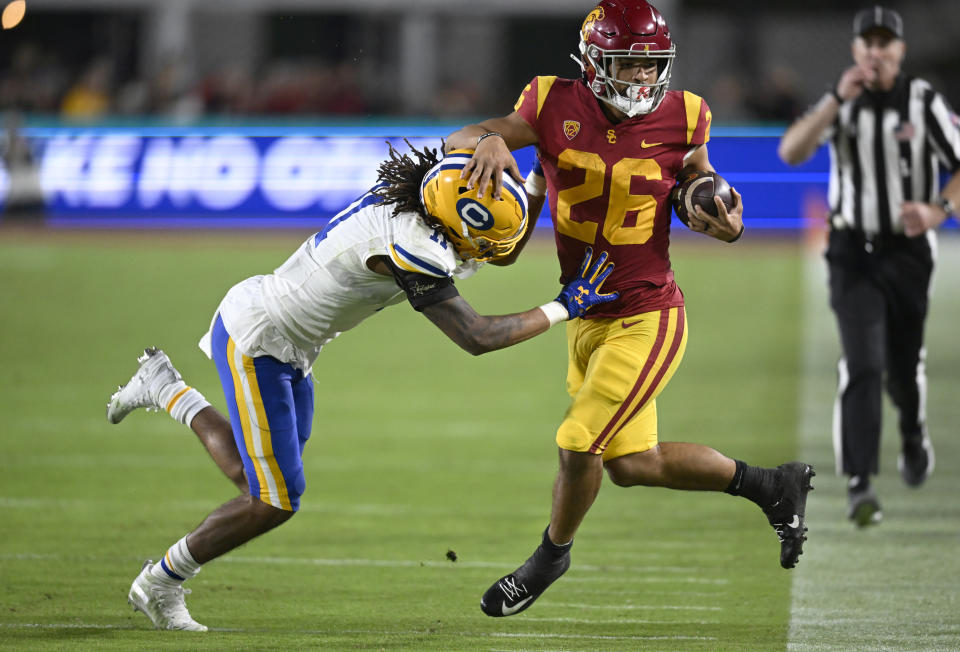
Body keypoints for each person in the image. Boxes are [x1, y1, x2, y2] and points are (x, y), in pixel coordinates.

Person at [105, 142, 621, 631]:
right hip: (258, 340)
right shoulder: (411, 245)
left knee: (257, 479)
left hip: (289, 340)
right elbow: (477, 336)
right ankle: (161, 581)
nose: (487, 251)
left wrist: (526, 172)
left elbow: (481, 196)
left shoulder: (430, 189)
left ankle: (165, 388)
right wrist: (564, 306)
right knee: (275, 499)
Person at [445, 0, 816, 618]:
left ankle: (549, 556)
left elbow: (703, 184)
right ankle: (773, 486)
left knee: (578, 439)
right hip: (584, 315)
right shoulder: (549, 102)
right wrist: (484, 143)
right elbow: (463, 134)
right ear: (593, 62)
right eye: (626, 64)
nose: (642, 80)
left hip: (648, 312)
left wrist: (719, 214)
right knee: (631, 464)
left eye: (651, 66)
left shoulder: (687, 114)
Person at [778, 7, 960, 527]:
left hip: (907, 253)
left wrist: (937, 211)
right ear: (856, 50)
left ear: (900, 51)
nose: (876, 53)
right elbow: (791, 150)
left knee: (901, 367)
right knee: (862, 362)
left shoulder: (923, 101)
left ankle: (911, 429)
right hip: (851, 250)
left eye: (886, 43)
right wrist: (837, 98)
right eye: (868, 44)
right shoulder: (841, 103)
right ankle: (860, 482)